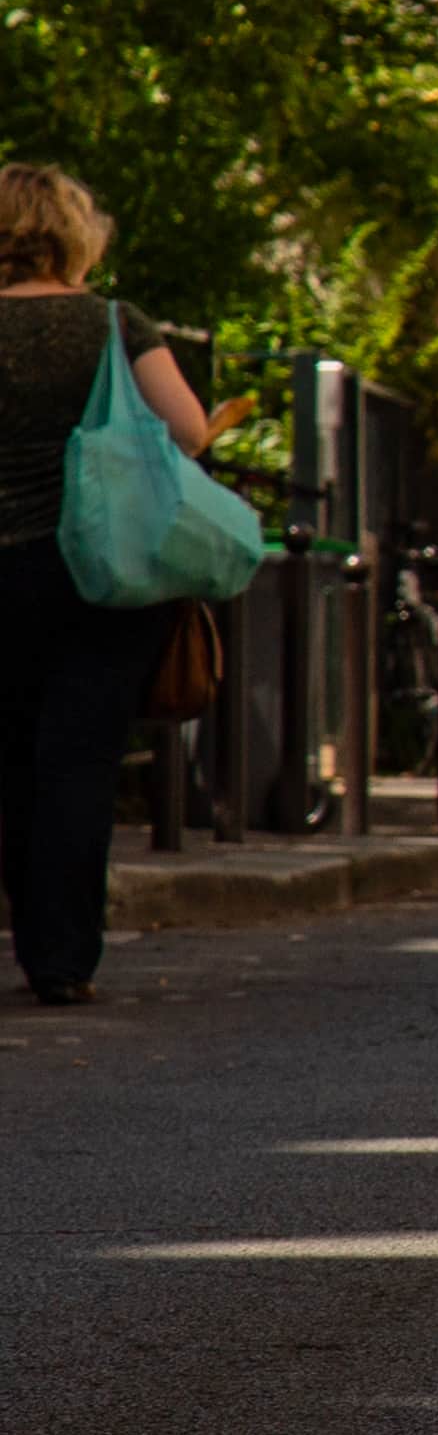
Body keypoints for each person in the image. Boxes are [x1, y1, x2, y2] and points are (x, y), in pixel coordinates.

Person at [0, 165, 247, 1006]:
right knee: (77, 760)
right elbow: (185, 431)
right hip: (97, 572)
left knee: (11, 758)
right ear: (71, 233)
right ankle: (60, 957)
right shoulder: (112, 324)